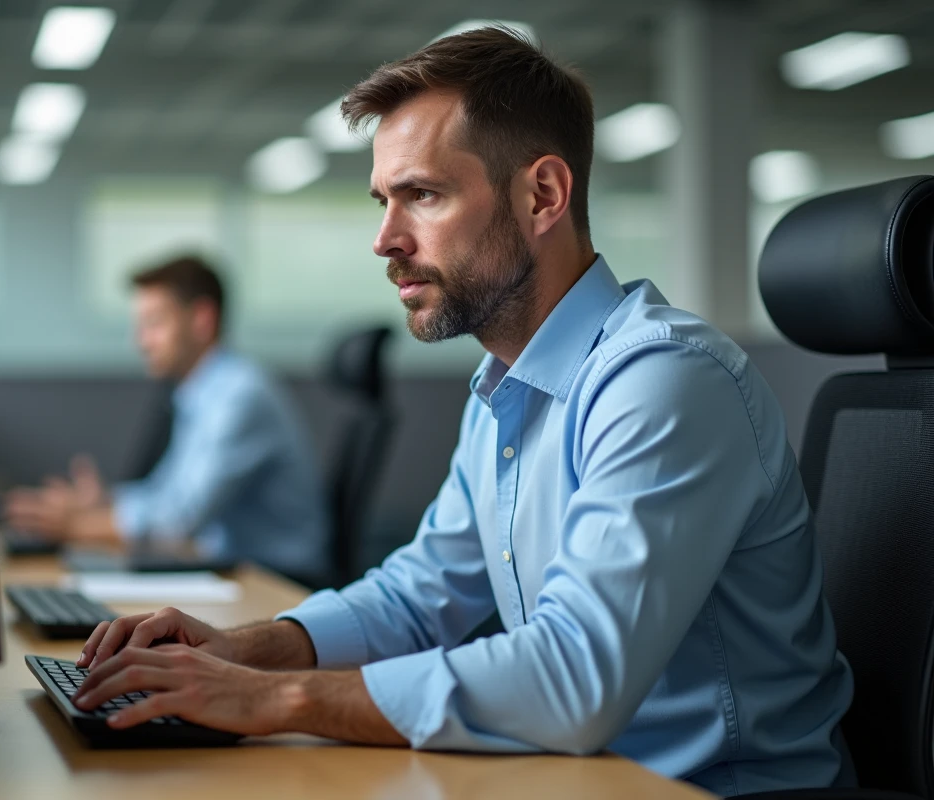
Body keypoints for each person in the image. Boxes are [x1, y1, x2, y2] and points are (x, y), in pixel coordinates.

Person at [68, 28, 853, 795]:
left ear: (542, 195)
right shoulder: (503, 384)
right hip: (583, 776)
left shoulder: (664, 380)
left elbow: (574, 679)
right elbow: (421, 596)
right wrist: (246, 651)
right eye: (383, 201)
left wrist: (274, 700)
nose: (384, 239)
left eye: (423, 195)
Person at [4, 256, 329, 585]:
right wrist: (106, 502)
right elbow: (168, 494)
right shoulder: (200, 393)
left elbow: (179, 520)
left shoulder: (240, 397)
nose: (140, 341)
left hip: (275, 581)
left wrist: (77, 525)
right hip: (232, 571)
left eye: (154, 324)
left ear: (202, 319)